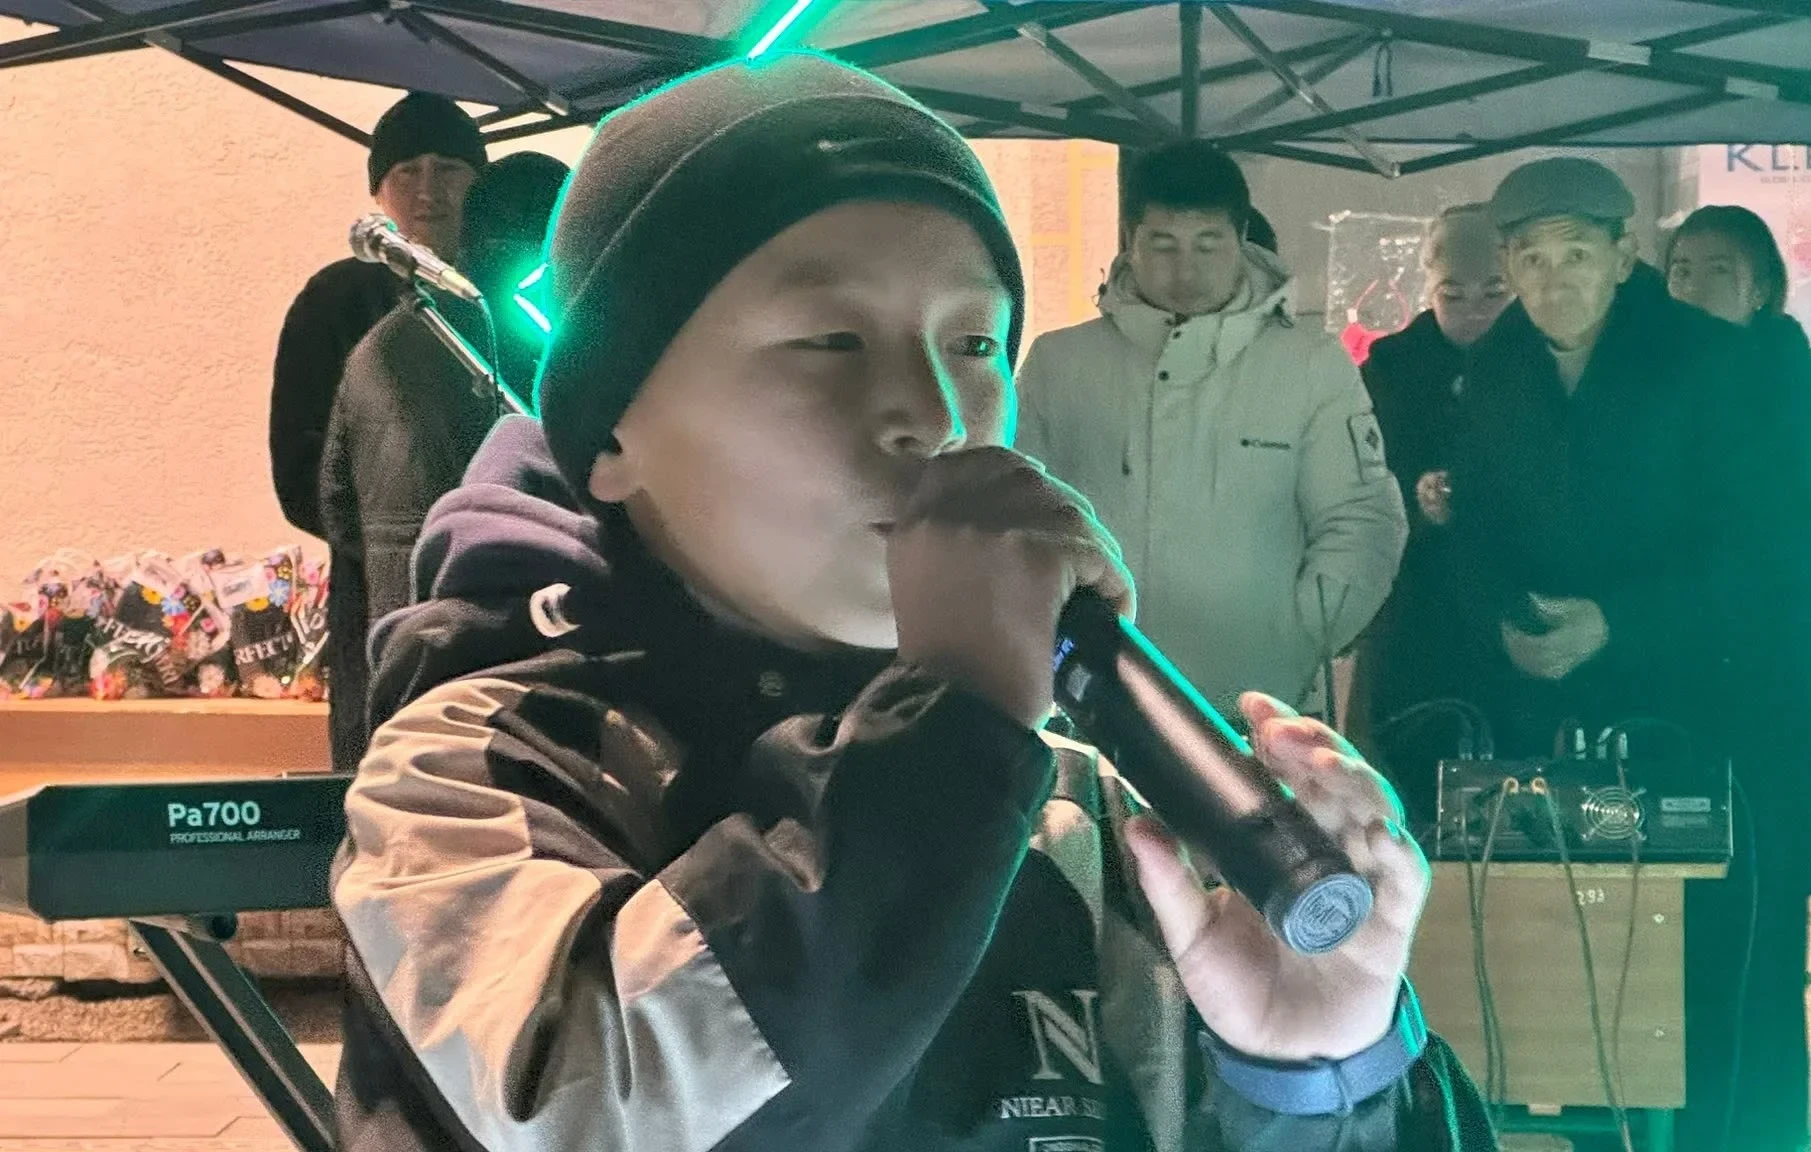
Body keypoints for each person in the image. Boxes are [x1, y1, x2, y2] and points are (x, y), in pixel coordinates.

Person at [328, 54, 1493, 1152]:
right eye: (830, 338)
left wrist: (1313, 1079)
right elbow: (607, 1111)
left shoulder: (1067, 805)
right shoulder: (475, 774)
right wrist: (959, 714)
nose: (932, 414)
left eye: (975, 341)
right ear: (612, 432)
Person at [1448, 157, 1776, 1150]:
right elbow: (1474, 527)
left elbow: (1751, 545)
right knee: (1565, 975)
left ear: (1625, 254)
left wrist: (1618, 621)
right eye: (1533, 260)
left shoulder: (1704, 359)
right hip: (1544, 714)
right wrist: (1500, 621)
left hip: (1689, 706)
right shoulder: (1495, 368)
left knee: (1692, 985)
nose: (1554, 282)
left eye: (1577, 256)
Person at [1017, 141, 1406, 721]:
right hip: (1094, 689)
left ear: (1241, 239)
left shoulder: (1310, 364)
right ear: (1130, 240)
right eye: (1163, 244)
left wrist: (1299, 636)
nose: (1186, 271)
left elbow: (1362, 518)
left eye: (1208, 244)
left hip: (1264, 704)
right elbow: (1023, 514)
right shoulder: (1060, 363)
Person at [1665, 204, 1811, 1151]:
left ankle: (1762, 1132)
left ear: (1762, 289)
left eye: (1717, 269)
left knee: (1763, 921)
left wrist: (1713, 562)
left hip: (1771, 687)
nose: (1693, 285)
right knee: (1661, 925)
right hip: (1666, 693)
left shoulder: (1807, 390)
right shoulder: (1644, 382)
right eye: (1680, 268)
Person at [317, 152, 571, 775]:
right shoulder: (554, 344)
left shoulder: (377, 348)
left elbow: (335, 508)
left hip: (400, 647)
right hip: (517, 658)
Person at [1347, 204, 1510, 804]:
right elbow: (1360, 484)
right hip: (1418, 607)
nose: (1474, 311)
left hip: (1510, 603)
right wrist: (1416, 502)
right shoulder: (1390, 368)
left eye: (1493, 293)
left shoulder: (1542, 359)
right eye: (1453, 294)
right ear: (1428, 287)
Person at [269, 92, 487, 539]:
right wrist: (402, 538)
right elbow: (300, 471)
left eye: (447, 169)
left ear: (479, 183)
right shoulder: (332, 300)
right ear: (378, 192)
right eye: (407, 171)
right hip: (379, 569)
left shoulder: (503, 291)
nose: (428, 190)